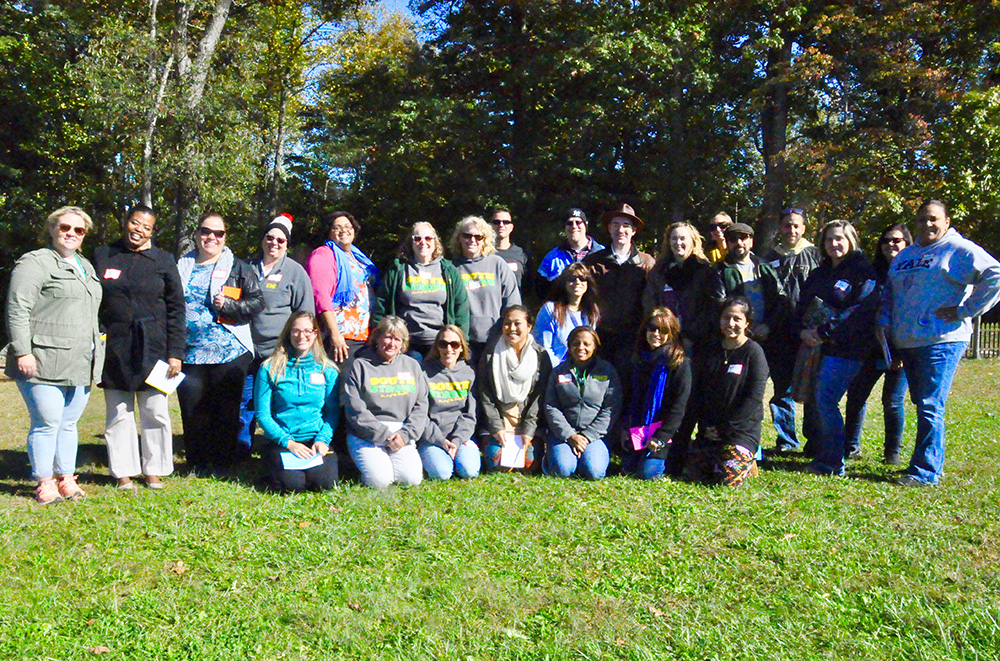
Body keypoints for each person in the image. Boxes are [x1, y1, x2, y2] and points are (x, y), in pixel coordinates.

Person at [879, 200, 1000, 487]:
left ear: (946, 221)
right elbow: (891, 292)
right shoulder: (906, 255)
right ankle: (921, 463)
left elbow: (994, 274)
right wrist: (885, 322)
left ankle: (925, 472)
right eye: (921, 220)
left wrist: (965, 310)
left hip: (942, 340)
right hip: (909, 341)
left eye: (933, 219)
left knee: (931, 404)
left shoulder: (958, 249)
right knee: (922, 402)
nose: (927, 225)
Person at [5, 206, 104, 503]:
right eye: (65, 228)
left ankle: (66, 478)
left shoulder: (86, 265)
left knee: (69, 423)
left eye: (78, 230)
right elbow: (17, 309)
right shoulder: (34, 263)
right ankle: (44, 481)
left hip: (80, 361)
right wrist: (23, 352)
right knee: (47, 422)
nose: (71, 234)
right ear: (51, 229)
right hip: (42, 359)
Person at [93, 204, 185, 490]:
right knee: (119, 411)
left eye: (146, 227)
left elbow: (176, 308)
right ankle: (123, 472)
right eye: (135, 223)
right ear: (126, 222)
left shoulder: (163, 260)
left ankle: (154, 470)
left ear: (152, 231)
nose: (139, 230)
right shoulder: (103, 255)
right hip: (116, 345)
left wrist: (175, 353)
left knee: (155, 410)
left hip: (155, 344)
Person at [176, 213, 264, 476]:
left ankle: (223, 463)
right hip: (189, 351)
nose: (211, 237)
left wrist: (230, 305)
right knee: (193, 411)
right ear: (196, 234)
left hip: (229, 350)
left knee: (225, 412)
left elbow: (257, 302)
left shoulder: (239, 268)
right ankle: (197, 463)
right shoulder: (179, 266)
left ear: (225, 237)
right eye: (206, 231)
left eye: (219, 233)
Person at [798, 220, 879, 477]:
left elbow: (860, 312)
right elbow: (802, 304)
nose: (834, 244)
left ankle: (833, 462)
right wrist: (802, 331)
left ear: (851, 240)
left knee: (825, 400)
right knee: (817, 400)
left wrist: (824, 333)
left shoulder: (863, 272)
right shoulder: (819, 272)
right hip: (814, 346)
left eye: (840, 238)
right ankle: (823, 454)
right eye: (830, 239)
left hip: (846, 349)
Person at [239, 213, 315, 453]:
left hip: (280, 350)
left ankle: (282, 445)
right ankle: (242, 447)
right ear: (263, 240)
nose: (274, 243)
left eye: (280, 240)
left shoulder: (295, 272)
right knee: (246, 400)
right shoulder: (246, 267)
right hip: (248, 349)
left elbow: (305, 314)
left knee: (280, 401)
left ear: (287, 244)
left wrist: (298, 347)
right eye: (270, 238)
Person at [714, 223, 791, 455]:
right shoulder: (718, 271)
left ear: (751, 241)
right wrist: (742, 331)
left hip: (770, 337)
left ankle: (787, 440)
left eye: (744, 238)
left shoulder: (764, 268)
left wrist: (769, 325)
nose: (739, 243)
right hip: (738, 341)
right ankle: (739, 441)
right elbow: (719, 303)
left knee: (781, 391)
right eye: (734, 238)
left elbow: (781, 300)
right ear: (726, 242)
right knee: (741, 391)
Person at [843, 224, 912, 464]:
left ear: (907, 243)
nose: (890, 244)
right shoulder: (870, 272)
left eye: (897, 240)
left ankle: (892, 454)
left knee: (892, 401)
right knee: (856, 397)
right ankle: (850, 448)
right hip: (869, 347)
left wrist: (901, 350)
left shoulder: (910, 272)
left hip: (900, 347)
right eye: (886, 240)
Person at [686, 297, 769, 487]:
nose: (730, 323)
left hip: (740, 431)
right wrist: (707, 425)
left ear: (747, 322)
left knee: (726, 481)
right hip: (710, 430)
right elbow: (698, 393)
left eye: (736, 319)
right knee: (693, 474)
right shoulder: (710, 350)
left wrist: (725, 428)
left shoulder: (754, 353)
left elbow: (753, 398)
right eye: (725, 318)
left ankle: (748, 460)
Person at [253, 312, 340, 492]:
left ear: (315, 334)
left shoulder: (328, 370)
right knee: (292, 485)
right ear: (288, 333)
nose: (302, 336)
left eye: (308, 331)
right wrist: (288, 442)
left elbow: (332, 412)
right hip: (283, 440)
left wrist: (323, 440)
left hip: (315, 441)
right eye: (296, 331)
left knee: (325, 484)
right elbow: (263, 415)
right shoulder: (270, 368)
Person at [761, 208, 822, 454]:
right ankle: (787, 439)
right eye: (787, 225)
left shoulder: (817, 255)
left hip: (809, 333)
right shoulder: (768, 257)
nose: (792, 230)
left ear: (804, 228)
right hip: (778, 333)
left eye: (796, 225)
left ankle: (814, 440)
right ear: (780, 228)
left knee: (812, 388)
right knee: (782, 388)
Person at [341, 316, 428, 488]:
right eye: (387, 337)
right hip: (366, 433)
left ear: (403, 343)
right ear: (377, 338)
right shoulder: (360, 366)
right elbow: (354, 407)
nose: (391, 343)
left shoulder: (412, 366)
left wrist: (405, 435)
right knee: (380, 481)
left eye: (397, 339)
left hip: (401, 431)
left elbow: (421, 405)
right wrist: (383, 434)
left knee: (411, 480)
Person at [373, 221, 470, 358]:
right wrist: (378, 337)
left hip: (440, 343)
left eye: (428, 238)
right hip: (407, 343)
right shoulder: (398, 270)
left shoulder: (448, 270)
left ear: (435, 242)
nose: (423, 242)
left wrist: (460, 341)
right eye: (417, 239)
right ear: (411, 243)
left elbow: (461, 308)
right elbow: (381, 305)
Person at [584, 203, 655, 385]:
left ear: (633, 231)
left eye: (626, 225)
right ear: (609, 228)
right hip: (600, 336)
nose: (620, 230)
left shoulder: (647, 263)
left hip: (633, 338)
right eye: (615, 224)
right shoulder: (593, 262)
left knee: (627, 385)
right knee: (599, 385)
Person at [619, 308, 692, 480]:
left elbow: (679, 406)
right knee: (627, 469)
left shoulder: (679, 362)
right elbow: (629, 399)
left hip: (667, 433)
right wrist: (625, 428)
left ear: (672, 333)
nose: (656, 334)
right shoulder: (638, 359)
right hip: (639, 430)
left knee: (647, 474)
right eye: (652, 328)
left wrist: (661, 437)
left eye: (663, 330)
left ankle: (670, 460)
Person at [478, 305, 553, 473]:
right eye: (507, 323)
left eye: (517, 324)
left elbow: (539, 398)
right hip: (499, 420)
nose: (511, 328)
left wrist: (528, 430)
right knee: (498, 464)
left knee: (528, 465)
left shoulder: (541, 356)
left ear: (529, 327)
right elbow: (485, 394)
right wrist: (496, 427)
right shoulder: (491, 354)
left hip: (527, 421)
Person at [543, 326, 622, 480]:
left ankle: (587, 456)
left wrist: (586, 436)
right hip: (564, 434)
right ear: (569, 346)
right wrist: (570, 435)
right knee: (562, 470)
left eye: (587, 344)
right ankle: (558, 457)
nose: (581, 348)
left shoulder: (607, 372)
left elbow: (611, 408)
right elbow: (551, 407)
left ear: (595, 347)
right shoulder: (559, 372)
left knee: (594, 472)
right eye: (576, 343)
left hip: (595, 435)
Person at [306, 210, 380, 364]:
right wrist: (335, 334)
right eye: (337, 227)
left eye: (348, 226)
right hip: (342, 338)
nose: (344, 230)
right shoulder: (324, 254)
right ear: (329, 232)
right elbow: (321, 296)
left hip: (365, 336)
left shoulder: (360, 258)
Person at [449, 215, 521, 358]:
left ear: (485, 240)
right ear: (459, 238)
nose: (472, 240)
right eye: (467, 236)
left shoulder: (497, 264)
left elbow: (512, 304)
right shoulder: (451, 268)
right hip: (462, 342)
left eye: (478, 237)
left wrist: (507, 333)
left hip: (496, 340)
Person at [642, 221, 718, 349]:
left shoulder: (704, 271)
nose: (678, 243)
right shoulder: (658, 271)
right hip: (664, 339)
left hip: (696, 341)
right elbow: (649, 303)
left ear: (693, 241)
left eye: (683, 238)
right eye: (674, 238)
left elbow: (709, 308)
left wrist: (690, 336)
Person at [418, 325, 480, 480]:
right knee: (442, 474)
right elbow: (420, 414)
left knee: (469, 471)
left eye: (454, 344)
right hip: (432, 438)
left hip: (460, 437)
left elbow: (470, 414)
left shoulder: (469, 373)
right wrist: (440, 441)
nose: (449, 349)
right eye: (443, 344)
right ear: (437, 346)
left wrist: (457, 440)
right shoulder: (423, 372)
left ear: (461, 348)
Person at [533, 261, 600, 365]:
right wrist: (562, 371)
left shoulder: (591, 311)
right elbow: (543, 347)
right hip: (553, 370)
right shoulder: (550, 309)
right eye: (572, 279)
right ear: (564, 283)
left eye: (582, 278)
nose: (578, 282)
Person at [536, 208, 605, 288]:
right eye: (569, 223)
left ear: (585, 226)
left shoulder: (603, 254)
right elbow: (540, 291)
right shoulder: (551, 258)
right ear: (564, 227)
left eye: (578, 222)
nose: (574, 226)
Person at [491, 207, 529, 290]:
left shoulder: (521, 254)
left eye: (506, 222)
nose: (501, 225)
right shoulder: (483, 253)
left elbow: (528, 287)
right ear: (490, 226)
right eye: (496, 222)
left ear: (511, 227)